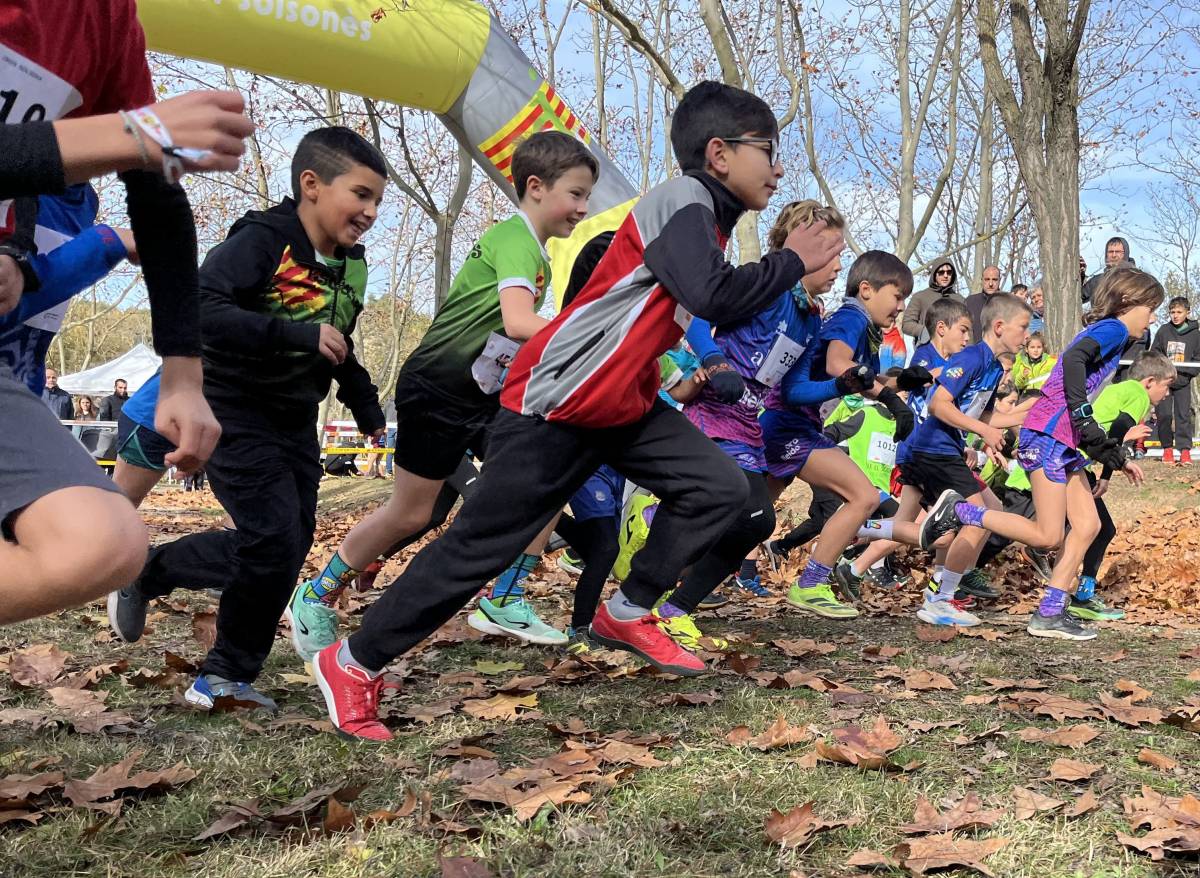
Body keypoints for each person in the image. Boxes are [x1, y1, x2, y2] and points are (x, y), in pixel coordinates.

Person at [311, 80, 845, 740]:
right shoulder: (681, 199)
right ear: (719, 153)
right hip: (562, 398)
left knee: (721, 489)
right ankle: (353, 661)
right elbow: (715, 296)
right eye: (768, 149)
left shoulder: (705, 217)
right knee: (480, 547)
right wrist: (791, 261)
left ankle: (630, 608)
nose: (779, 167)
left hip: (622, 402)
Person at [287, 131, 596, 664]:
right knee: (411, 514)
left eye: (587, 196)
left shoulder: (537, 255)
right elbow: (519, 322)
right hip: (435, 388)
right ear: (536, 187)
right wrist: (595, 341)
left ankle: (504, 597)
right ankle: (315, 594)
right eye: (576, 194)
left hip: (483, 398)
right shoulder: (514, 239)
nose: (583, 208)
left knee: (548, 477)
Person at [107, 126, 388, 711]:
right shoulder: (263, 241)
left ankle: (151, 574)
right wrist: (294, 334)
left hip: (294, 419)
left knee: (286, 545)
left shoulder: (350, 268)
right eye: (361, 195)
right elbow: (200, 308)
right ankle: (223, 674)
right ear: (312, 184)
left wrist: (364, 403)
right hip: (230, 406)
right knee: (272, 539)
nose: (370, 212)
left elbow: (337, 343)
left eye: (377, 201)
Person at [0, 0, 251, 627]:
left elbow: (156, 189)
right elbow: (140, 143)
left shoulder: (105, 17)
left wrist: (183, 374)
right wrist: (128, 136)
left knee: (103, 544)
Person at [644, 200, 849, 645]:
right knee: (747, 512)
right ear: (800, 245)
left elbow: (792, 389)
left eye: (841, 255)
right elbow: (697, 317)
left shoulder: (811, 317)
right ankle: (650, 549)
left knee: (756, 524)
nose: (838, 266)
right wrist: (715, 362)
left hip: (748, 426)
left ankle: (673, 609)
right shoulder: (764, 286)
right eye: (831, 253)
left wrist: (841, 386)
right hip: (713, 415)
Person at [927, 266, 1162, 640]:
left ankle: (1050, 612)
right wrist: (1082, 414)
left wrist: (1115, 457)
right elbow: (1073, 361)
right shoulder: (1114, 329)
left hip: (1063, 440)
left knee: (1088, 525)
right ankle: (959, 512)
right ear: (1129, 301)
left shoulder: (1113, 337)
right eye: (1150, 309)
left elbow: (1080, 398)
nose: (1152, 319)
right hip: (1048, 436)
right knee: (1047, 535)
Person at [759, 251, 941, 618]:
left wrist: (902, 382)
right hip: (790, 423)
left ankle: (664, 560)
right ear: (867, 289)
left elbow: (866, 379)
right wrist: (890, 398)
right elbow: (838, 365)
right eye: (897, 296)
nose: (901, 307)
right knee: (863, 496)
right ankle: (810, 585)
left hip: (797, 424)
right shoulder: (851, 317)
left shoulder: (867, 329)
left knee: (750, 516)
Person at [887, 294, 1034, 627]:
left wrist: (1024, 416)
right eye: (1023, 327)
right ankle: (940, 598)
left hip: (946, 451)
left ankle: (942, 585)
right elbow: (939, 404)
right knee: (978, 518)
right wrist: (983, 430)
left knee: (991, 511)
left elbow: (984, 415)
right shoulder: (970, 358)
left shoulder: (993, 367)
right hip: (932, 450)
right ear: (1000, 326)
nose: (1027, 336)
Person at [830, 296, 973, 591]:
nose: (967, 338)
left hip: (928, 452)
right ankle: (943, 591)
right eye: (963, 330)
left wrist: (963, 443)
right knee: (953, 521)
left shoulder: (947, 363)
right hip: (926, 454)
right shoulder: (925, 358)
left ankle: (854, 567)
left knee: (908, 523)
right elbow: (929, 406)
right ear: (941, 328)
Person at [1072, 350, 1177, 621]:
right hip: (1071, 466)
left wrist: (1110, 470)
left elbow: (1110, 432)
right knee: (1076, 531)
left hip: (1076, 463)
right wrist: (1108, 474)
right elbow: (1118, 430)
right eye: (1166, 386)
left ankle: (1081, 595)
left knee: (1099, 529)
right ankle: (1072, 595)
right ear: (1149, 382)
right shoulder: (1138, 394)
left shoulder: (1118, 389)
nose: (1167, 394)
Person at [1150, 296, 1198, 465]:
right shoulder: (1163, 331)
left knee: (1183, 415)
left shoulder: (1195, 334)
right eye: (1172, 312)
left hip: (1183, 381)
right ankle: (1167, 449)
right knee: (1163, 414)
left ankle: (1184, 451)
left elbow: (1197, 359)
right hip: (1164, 381)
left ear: (1187, 312)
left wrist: (1186, 376)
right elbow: (1155, 354)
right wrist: (1162, 375)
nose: (1175, 315)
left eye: (1179, 312)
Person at [902, 260, 959, 347]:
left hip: (954, 350)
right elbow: (906, 324)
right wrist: (923, 331)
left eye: (949, 272)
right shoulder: (920, 297)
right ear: (934, 274)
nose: (945, 275)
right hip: (927, 348)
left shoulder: (960, 300)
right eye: (941, 272)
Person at [1082, 237, 1131, 303]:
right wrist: (1081, 275)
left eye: (1118, 252)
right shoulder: (1097, 282)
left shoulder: (1138, 280)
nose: (1114, 255)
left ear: (1125, 254)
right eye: (1110, 252)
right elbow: (1076, 297)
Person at [964, 265, 1003, 343]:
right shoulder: (970, 302)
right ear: (982, 280)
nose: (991, 284)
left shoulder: (1008, 303)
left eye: (994, 280)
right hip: (975, 348)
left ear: (999, 281)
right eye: (987, 279)